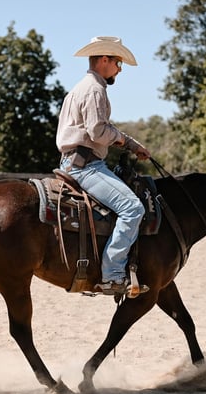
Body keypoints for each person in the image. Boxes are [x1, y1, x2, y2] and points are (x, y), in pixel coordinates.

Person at [56, 36, 151, 296]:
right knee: (132, 208)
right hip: (85, 166)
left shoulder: (79, 88)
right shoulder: (95, 89)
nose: (120, 70)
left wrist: (129, 143)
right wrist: (125, 141)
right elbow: (98, 131)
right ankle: (111, 275)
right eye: (118, 63)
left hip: (73, 161)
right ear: (105, 59)